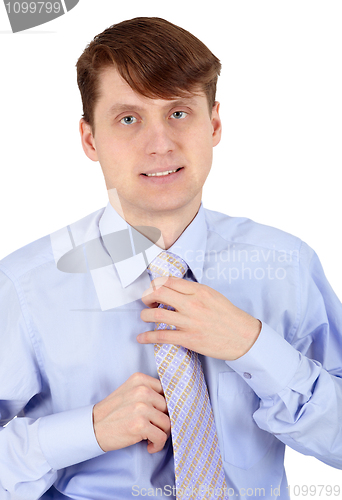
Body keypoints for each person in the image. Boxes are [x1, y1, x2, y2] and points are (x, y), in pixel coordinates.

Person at [0, 16, 341, 500]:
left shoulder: (287, 265)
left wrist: (255, 346)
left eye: (179, 112)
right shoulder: (24, 287)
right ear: (90, 139)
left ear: (215, 123)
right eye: (128, 118)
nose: (160, 143)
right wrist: (86, 430)